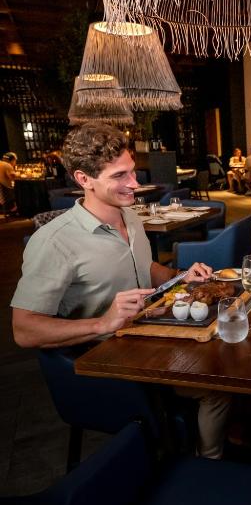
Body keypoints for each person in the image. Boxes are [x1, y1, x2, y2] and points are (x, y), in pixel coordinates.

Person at [11, 123, 230, 459]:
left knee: (230, 348)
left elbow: (147, 269)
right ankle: (207, 467)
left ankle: (240, 434)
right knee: (217, 384)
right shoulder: (54, 242)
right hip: (105, 361)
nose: (135, 184)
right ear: (84, 179)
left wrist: (180, 275)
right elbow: (24, 330)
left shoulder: (131, 217)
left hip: (146, 336)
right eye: (120, 176)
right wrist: (103, 323)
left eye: (133, 172)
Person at [0, 151, 17, 215]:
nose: (15, 163)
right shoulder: (7, 165)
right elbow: (14, 179)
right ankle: (17, 207)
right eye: (15, 161)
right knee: (22, 187)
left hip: (1, 191)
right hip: (5, 191)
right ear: (12, 160)